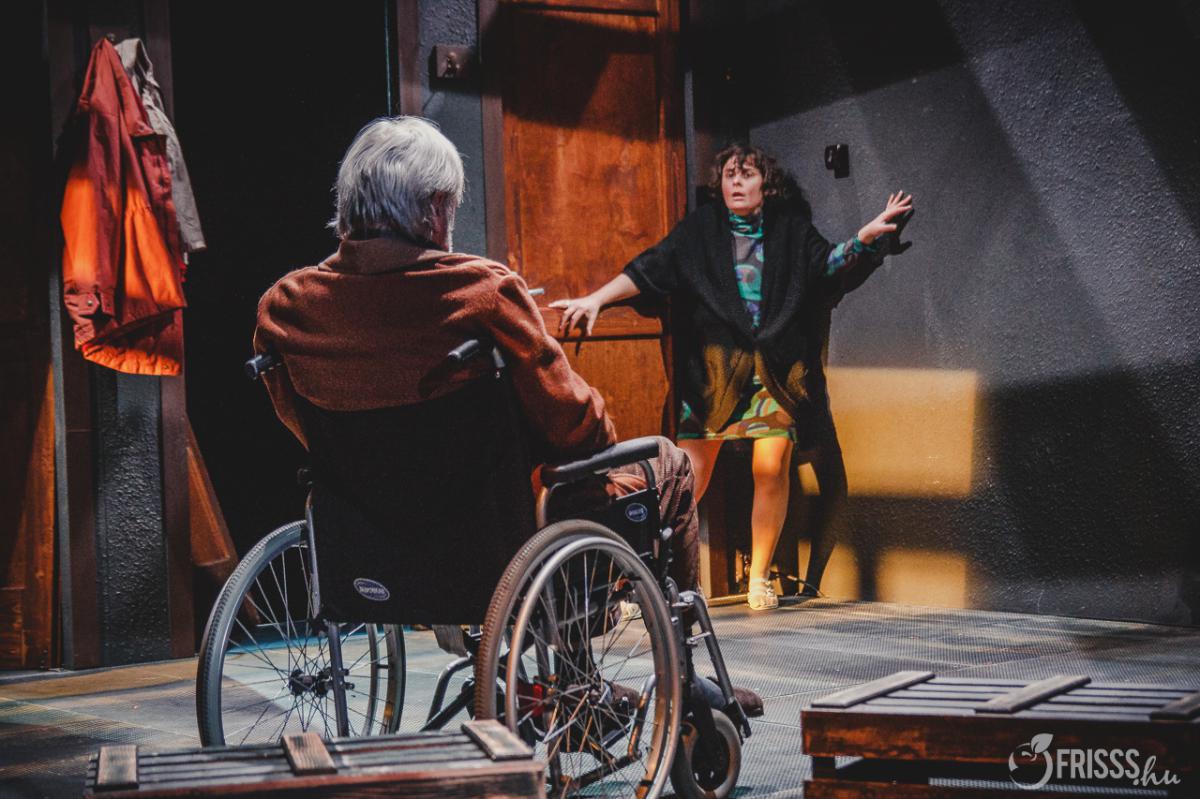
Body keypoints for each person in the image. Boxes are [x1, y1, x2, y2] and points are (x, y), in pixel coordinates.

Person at [252, 116, 761, 714]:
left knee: (552, 492)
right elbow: (576, 427)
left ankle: (576, 684)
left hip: (373, 545)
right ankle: (684, 679)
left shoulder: (285, 307)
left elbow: (300, 423)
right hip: (496, 545)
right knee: (665, 465)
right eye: (451, 206)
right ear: (433, 210)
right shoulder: (483, 291)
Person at [551, 144, 913, 610]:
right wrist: (596, 299)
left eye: (747, 174)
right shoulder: (701, 231)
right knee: (684, 478)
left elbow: (826, 265)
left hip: (774, 374)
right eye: (728, 175)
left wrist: (864, 238)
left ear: (767, 183)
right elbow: (651, 267)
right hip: (715, 377)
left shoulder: (789, 230)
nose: (736, 182)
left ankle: (759, 577)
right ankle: (644, 579)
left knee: (770, 468)